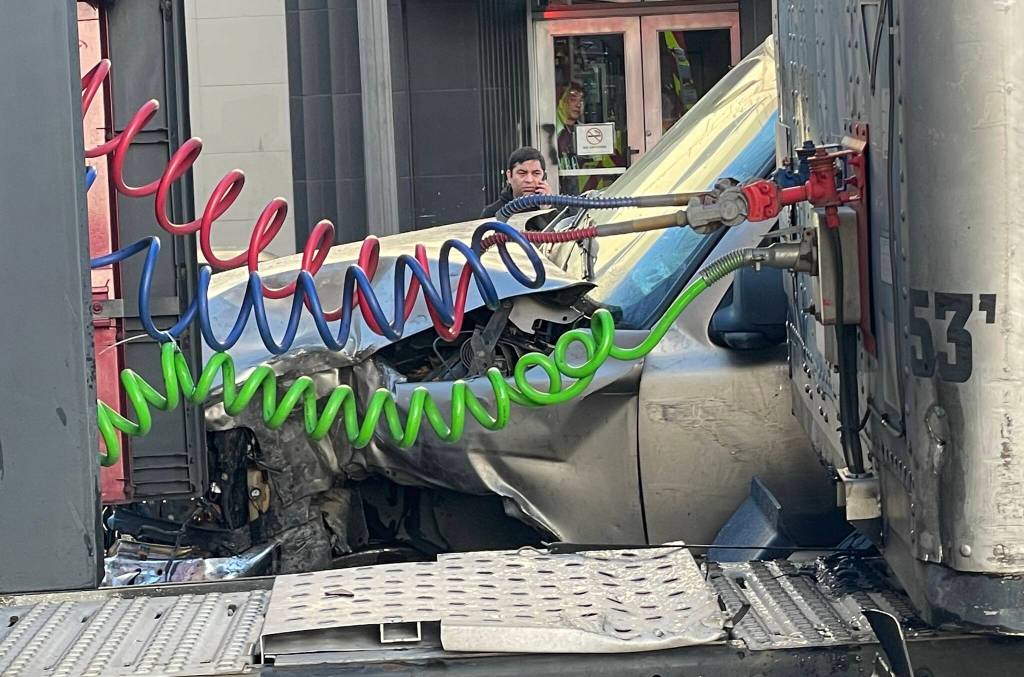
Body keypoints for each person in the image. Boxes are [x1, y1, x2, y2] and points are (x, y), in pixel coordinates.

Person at [480, 146, 551, 219]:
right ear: (509, 176)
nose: (529, 180)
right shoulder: (491, 214)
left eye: (536, 173)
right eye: (522, 173)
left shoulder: (558, 211)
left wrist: (546, 211)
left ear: (544, 176)